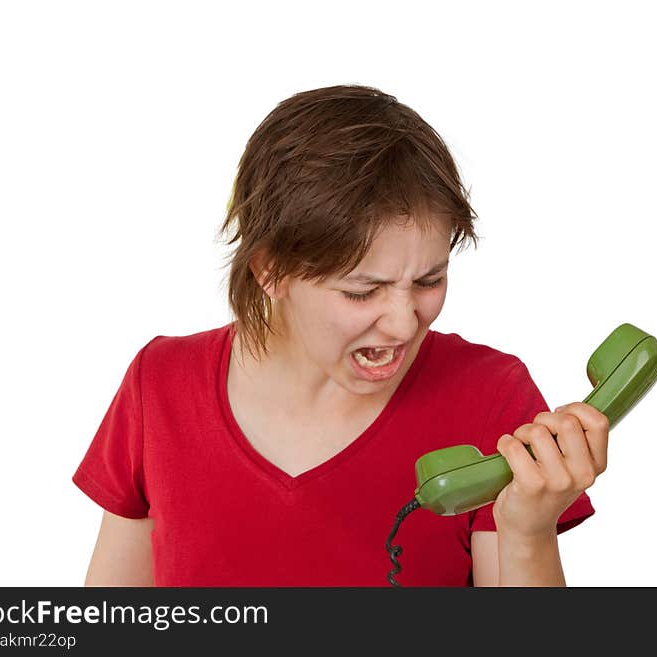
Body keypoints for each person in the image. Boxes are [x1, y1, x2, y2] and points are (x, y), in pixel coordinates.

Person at [72, 84, 609, 587]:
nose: (404, 324)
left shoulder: (492, 395)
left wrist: (528, 530)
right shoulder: (161, 384)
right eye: (362, 291)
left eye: (429, 280)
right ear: (271, 270)